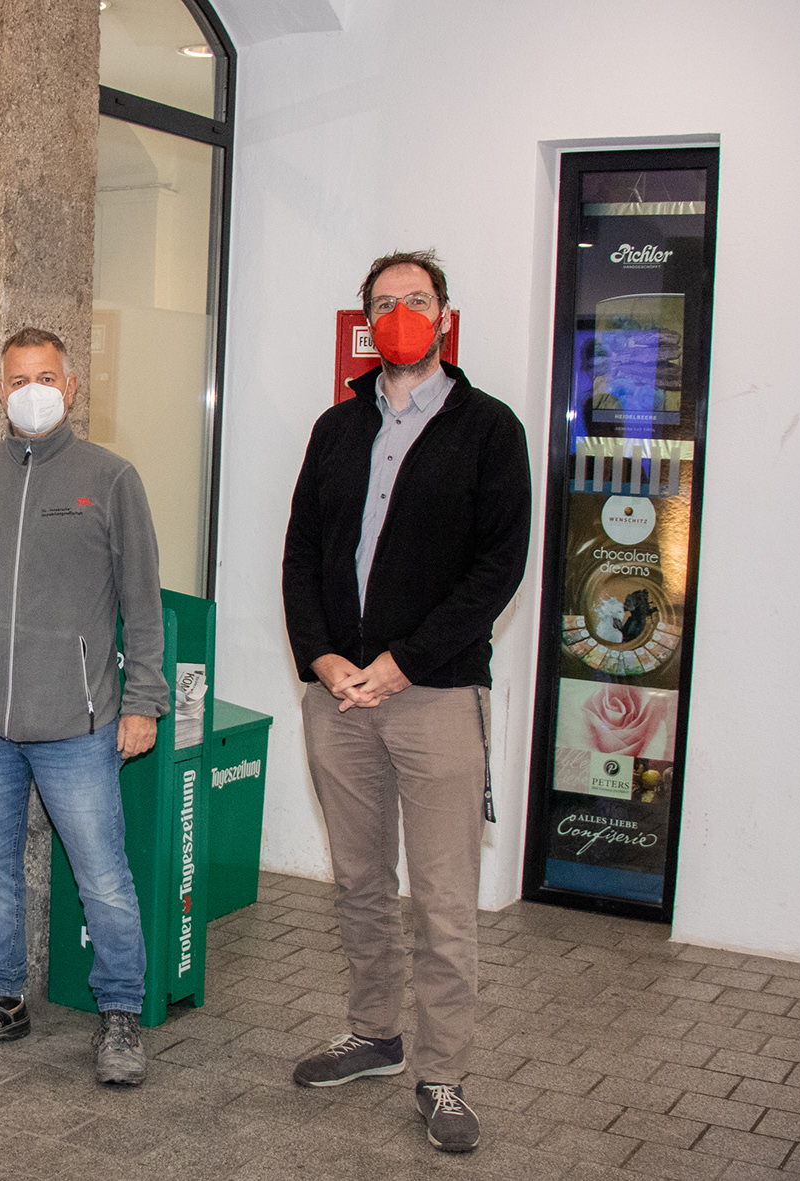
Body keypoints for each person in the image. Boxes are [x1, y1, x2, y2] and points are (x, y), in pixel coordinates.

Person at [281, 250, 531, 1151]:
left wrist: (403, 660)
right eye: (384, 304)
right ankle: (376, 1033)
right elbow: (303, 551)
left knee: (442, 896)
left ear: (445, 314)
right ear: (367, 321)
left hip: (435, 694)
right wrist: (320, 656)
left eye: (415, 301)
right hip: (339, 696)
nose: (400, 316)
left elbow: (497, 569)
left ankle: (445, 1074)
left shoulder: (489, 428)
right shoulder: (337, 428)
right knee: (357, 879)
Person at [0, 327, 167, 1086]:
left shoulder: (110, 477)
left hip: (79, 724)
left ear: (72, 385)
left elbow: (142, 603)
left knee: (104, 876)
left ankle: (120, 1011)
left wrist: (144, 700)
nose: (32, 388)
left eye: (46, 376)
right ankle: (0, 999)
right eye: (18, 377)